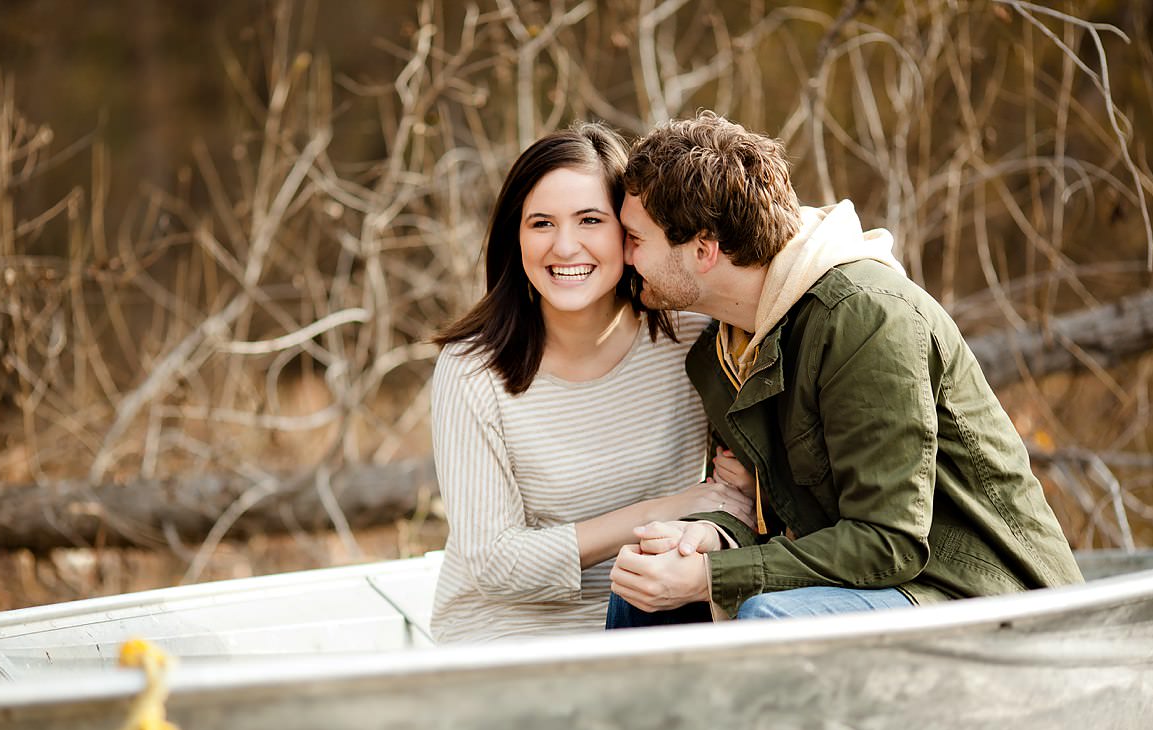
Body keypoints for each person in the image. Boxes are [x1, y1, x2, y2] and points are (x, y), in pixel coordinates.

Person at [607, 111, 1084, 627]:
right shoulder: (722, 350)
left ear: (703, 249)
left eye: (635, 239)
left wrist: (712, 577)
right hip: (866, 581)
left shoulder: (865, 318)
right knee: (642, 589)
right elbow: (784, 520)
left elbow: (889, 542)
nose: (624, 256)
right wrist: (710, 537)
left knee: (772, 617)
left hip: (977, 593)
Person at [428, 123, 749, 644]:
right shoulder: (472, 370)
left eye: (590, 220)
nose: (565, 246)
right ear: (516, 235)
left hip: (661, 617)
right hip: (508, 637)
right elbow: (496, 564)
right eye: (541, 223)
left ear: (629, 231)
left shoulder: (692, 334)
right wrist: (668, 510)